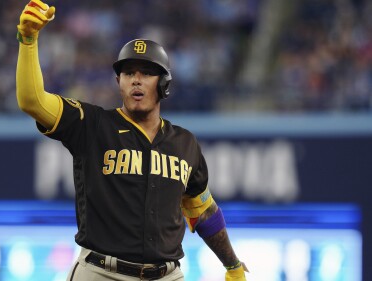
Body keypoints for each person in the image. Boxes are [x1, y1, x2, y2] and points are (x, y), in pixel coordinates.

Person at [15, 1, 248, 280]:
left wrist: (232, 265)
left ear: (164, 84)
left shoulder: (184, 143)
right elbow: (32, 101)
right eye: (128, 73)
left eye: (146, 73)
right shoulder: (92, 125)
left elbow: (203, 212)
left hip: (166, 275)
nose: (136, 80)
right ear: (119, 82)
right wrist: (28, 41)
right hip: (101, 272)